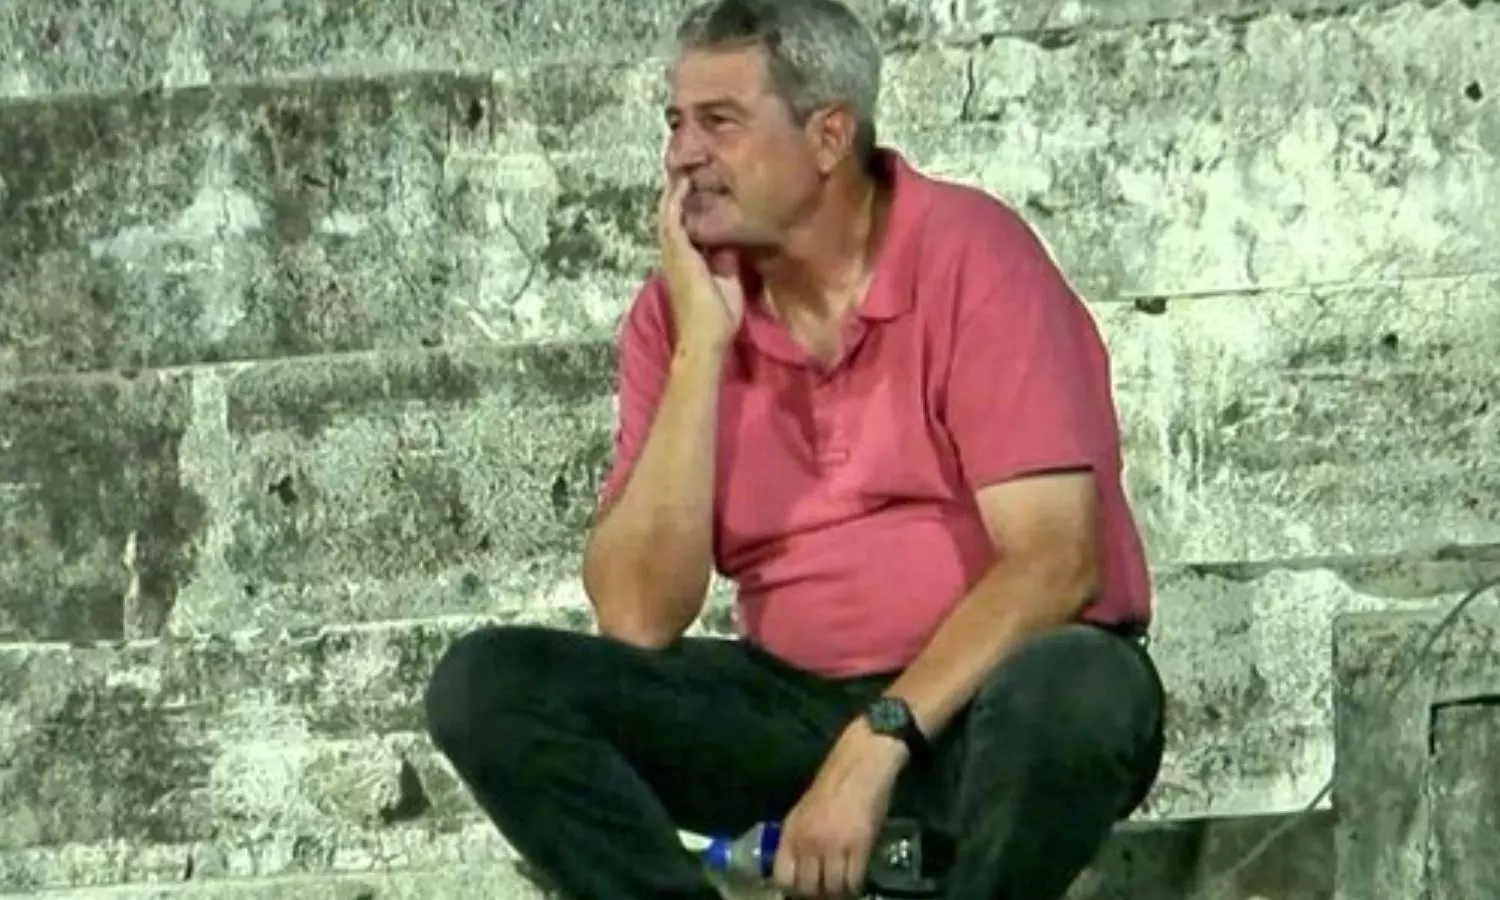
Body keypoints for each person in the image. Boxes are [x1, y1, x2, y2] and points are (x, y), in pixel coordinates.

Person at [423, 0, 1167, 897]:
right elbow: (637, 615)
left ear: (828, 137)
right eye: (675, 123)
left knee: (1076, 687)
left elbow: (1056, 563)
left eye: (720, 122)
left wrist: (877, 741)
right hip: (792, 711)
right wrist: (703, 349)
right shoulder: (676, 313)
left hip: (988, 711)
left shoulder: (973, 255)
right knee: (489, 685)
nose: (683, 154)